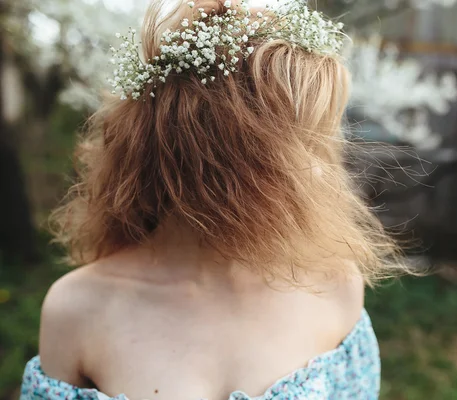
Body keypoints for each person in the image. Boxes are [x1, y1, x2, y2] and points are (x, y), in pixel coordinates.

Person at [20, 0, 408, 399]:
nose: (323, 171)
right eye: (304, 145)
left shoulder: (335, 284)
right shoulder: (78, 309)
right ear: (221, 154)